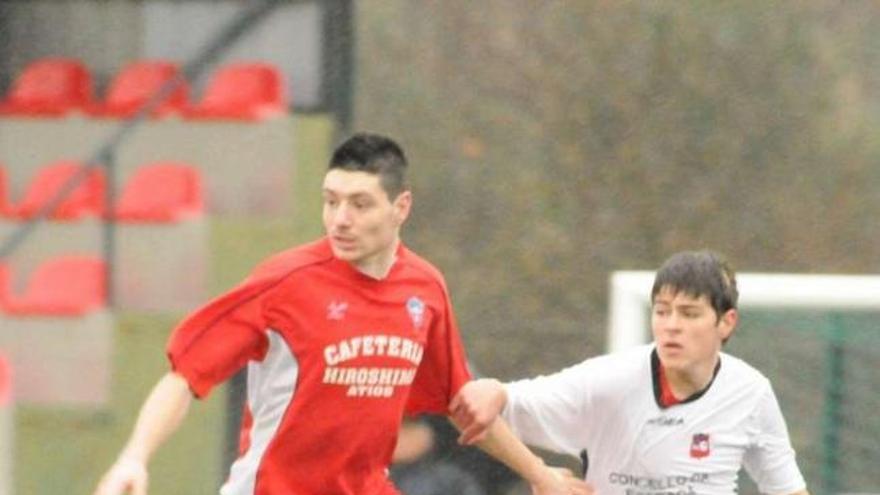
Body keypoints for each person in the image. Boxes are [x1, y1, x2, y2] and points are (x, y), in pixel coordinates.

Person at [93, 133, 589, 495]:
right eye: (331, 202)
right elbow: (185, 377)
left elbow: (461, 402)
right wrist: (134, 458)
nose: (340, 219)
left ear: (401, 207)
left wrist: (541, 476)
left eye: (359, 204)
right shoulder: (285, 282)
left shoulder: (426, 289)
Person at [451, 250, 810, 495]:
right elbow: (482, 407)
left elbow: (787, 488)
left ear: (726, 322)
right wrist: (540, 473)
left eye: (688, 313)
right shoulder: (609, 382)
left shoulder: (750, 393)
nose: (671, 325)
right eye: (662, 311)